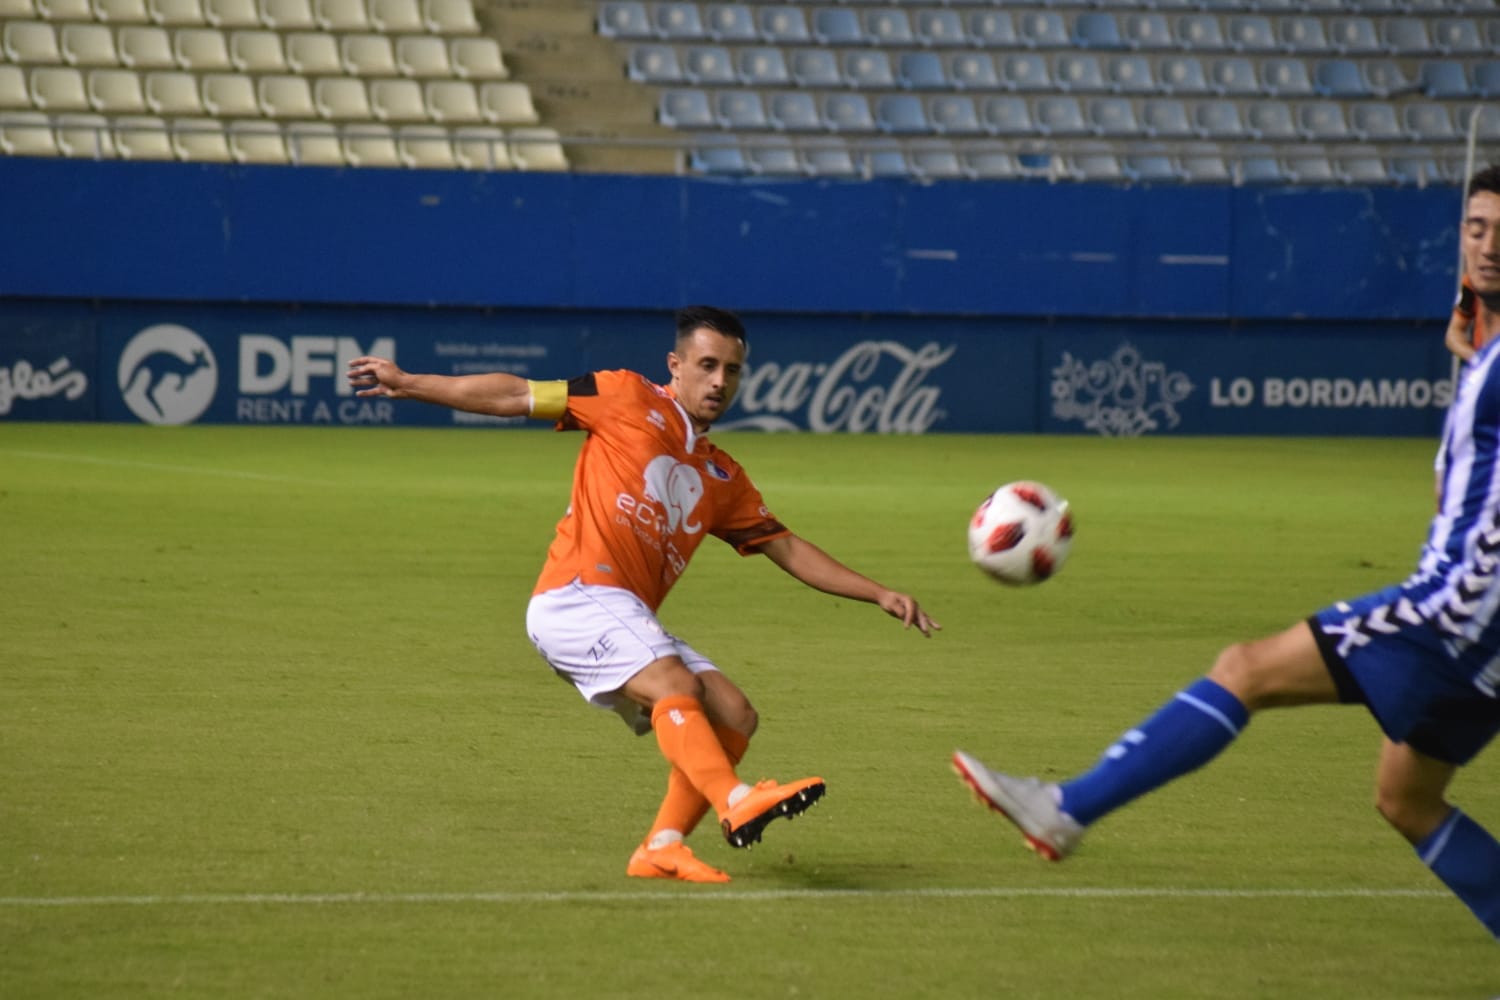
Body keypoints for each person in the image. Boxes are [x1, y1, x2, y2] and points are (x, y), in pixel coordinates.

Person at [954, 166, 1500, 941]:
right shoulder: (1486, 350)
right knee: (1407, 798)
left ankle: (1068, 809)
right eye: (1477, 228)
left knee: (1245, 669)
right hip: (1487, 639)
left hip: (1456, 607)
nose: (1488, 245)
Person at [348, 305, 939, 884]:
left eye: (731, 371)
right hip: (576, 595)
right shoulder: (624, 396)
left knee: (734, 713)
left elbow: (786, 547)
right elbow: (517, 395)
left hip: (621, 611)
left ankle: (661, 847)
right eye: (707, 365)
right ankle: (735, 799)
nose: (718, 381)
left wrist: (878, 592)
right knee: (676, 686)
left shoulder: (720, 475)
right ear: (675, 365)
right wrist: (410, 383)